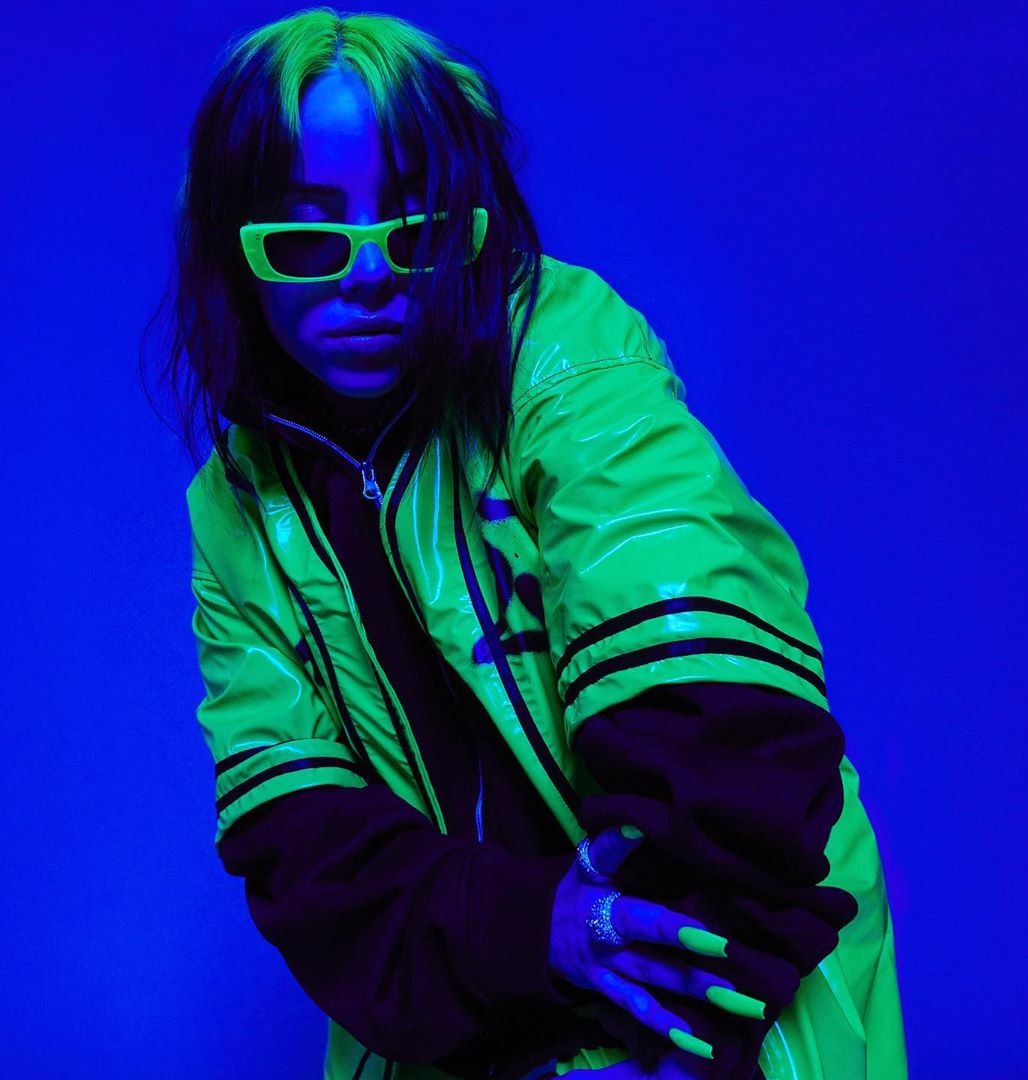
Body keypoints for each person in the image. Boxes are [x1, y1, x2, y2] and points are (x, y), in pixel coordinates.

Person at [142, 8, 907, 1079]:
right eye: (309, 237)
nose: (370, 278)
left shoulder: (568, 359)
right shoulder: (232, 508)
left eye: (417, 228)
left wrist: (637, 1030)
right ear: (234, 252)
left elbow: (719, 736)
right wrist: (530, 927)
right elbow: (307, 852)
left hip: (724, 1004)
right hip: (464, 1030)